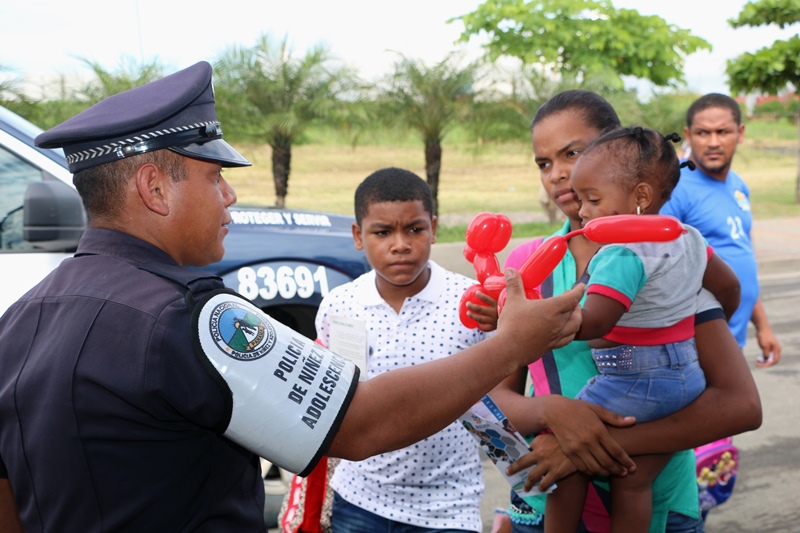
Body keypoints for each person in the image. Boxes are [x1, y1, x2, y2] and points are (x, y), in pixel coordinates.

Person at [0, 62, 586, 532]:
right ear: (154, 188)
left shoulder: (20, 320)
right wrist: (511, 343)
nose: (230, 195)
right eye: (214, 176)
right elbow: (359, 424)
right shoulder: (189, 317)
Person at [469, 90, 761, 533]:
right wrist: (552, 415)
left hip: (660, 506)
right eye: (544, 163)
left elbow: (740, 407)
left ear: (617, 151)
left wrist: (580, 445)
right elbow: (491, 400)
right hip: (543, 502)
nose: (559, 173)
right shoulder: (526, 266)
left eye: (573, 153)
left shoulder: (669, 261)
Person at [543, 126, 740, 533]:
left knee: (567, 455)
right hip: (686, 379)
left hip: (634, 379)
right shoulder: (690, 238)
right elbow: (730, 288)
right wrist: (695, 322)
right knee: (632, 480)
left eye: (593, 199)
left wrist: (547, 323)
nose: (582, 211)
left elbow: (597, 321)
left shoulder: (621, 252)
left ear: (641, 198)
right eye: (580, 200)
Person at [313, 167, 489, 532]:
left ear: (433, 228)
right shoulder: (339, 305)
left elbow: (498, 400)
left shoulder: (472, 302)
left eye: (414, 229)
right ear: (358, 235)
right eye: (382, 232)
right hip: (359, 501)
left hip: (449, 508)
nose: (400, 244)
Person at [661, 93, 782, 368]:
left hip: (733, 341)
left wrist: (762, 325)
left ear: (740, 133)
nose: (713, 142)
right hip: (695, 352)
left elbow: (742, 256)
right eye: (703, 133)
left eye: (722, 132)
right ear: (688, 135)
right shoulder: (674, 188)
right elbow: (660, 272)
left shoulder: (738, 185)